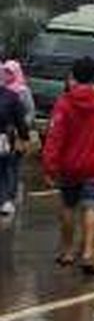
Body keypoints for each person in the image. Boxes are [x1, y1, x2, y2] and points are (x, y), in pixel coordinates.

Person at [42, 57, 94, 276]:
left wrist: (49, 167)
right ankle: (87, 253)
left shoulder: (64, 103)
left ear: (73, 76)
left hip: (69, 166)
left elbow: (54, 137)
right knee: (92, 206)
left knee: (68, 206)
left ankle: (67, 251)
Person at [2, 60, 35, 209]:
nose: (7, 75)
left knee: (12, 166)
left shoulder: (22, 91)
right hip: (5, 136)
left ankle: (10, 196)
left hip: (15, 135)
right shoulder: (4, 91)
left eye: (10, 72)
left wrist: (22, 132)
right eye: (5, 71)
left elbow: (29, 112)